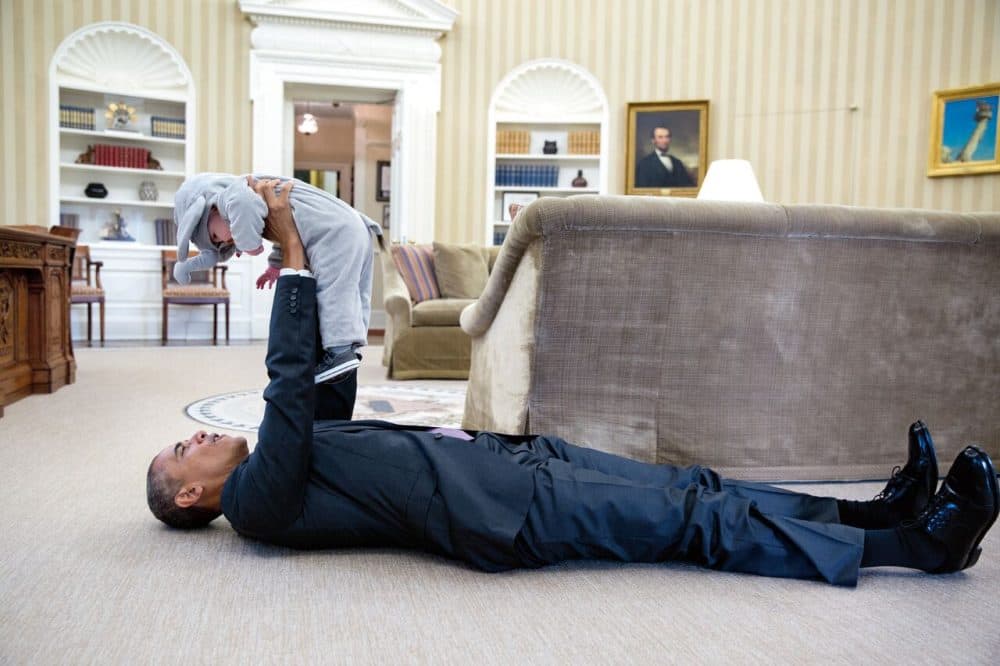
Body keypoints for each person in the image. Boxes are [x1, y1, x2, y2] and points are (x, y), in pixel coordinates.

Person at [147, 180, 999, 586]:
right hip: (506, 513)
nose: (192, 439)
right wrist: (288, 249)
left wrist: (307, 264)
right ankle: (916, 548)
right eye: (180, 455)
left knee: (694, 484)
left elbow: (327, 365)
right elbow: (290, 388)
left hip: (509, 463)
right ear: (193, 501)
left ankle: (874, 512)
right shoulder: (258, 503)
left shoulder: (285, 463)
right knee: (691, 522)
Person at [172, 173, 382, 383]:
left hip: (334, 233)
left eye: (216, 236)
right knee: (354, 291)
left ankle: (340, 351)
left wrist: (250, 245)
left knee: (333, 291)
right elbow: (292, 223)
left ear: (211, 209)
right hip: (352, 226)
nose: (225, 241)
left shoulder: (234, 195)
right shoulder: (263, 196)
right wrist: (275, 265)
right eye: (219, 245)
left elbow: (244, 205)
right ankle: (352, 348)